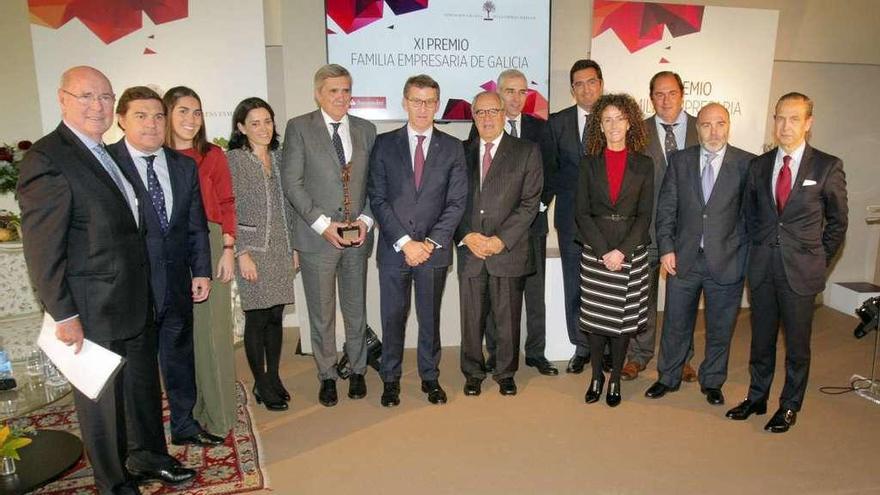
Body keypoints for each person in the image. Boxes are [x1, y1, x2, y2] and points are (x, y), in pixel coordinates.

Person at [17, 66, 195, 494]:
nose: (97, 106)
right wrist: (64, 314)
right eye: (86, 97)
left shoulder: (104, 153)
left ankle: (149, 456)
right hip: (92, 307)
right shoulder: (48, 158)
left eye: (103, 97)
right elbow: (42, 250)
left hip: (133, 300)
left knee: (141, 390)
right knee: (102, 403)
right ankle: (114, 483)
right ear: (62, 99)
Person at [108, 86, 222, 448]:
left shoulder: (182, 165)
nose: (152, 124)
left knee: (179, 358)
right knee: (135, 373)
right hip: (130, 289)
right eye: (141, 116)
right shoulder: (107, 164)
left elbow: (195, 224)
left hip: (176, 284)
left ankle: (185, 425)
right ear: (121, 119)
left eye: (158, 116)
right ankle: (142, 444)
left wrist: (201, 270)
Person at [727, 92, 847, 433]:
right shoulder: (759, 165)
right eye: (780, 117)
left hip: (802, 271)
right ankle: (757, 396)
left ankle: (790, 404)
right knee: (761, 339)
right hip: (763, 268)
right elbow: (749, 215)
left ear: (808, 123)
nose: (785, 125)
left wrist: (818, 261)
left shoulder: (827, 166)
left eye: (794, 118)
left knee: (797, 345)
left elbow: (838, 223)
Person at [645, 103, 755, 405]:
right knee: (675, 323)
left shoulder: (747, 164)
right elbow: (667, 209)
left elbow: (751, 219)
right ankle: (668, 376)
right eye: (707, 125)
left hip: (727, 261)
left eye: (720, 124)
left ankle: (712, 381)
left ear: (729, 125)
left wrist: (743, 258)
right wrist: (666, 248)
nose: (714, 131)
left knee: (720, 327)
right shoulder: (680, 161)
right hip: (684, 259)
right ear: (697, 128)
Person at [368, 74, 467, 407]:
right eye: (416, 100)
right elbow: (378, 198)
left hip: (433, 253)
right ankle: (391, 379)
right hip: (395, 252)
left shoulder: (453, 148)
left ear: (437, 105)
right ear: (404, 102)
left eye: (429, 101)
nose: (423, 108)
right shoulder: (383, 145)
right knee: (392, 318)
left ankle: (430, 376)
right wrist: (405, 242)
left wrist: (430, 243)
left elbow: (456, 202)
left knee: (430, 318)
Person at [280, 64, 376, 407]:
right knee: (321, 312)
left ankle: (359, 368)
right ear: (318, 93)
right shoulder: (299, 128)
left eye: (346, 90)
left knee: (355, 307)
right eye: (333, 90)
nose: (341, 97)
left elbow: (374, 183)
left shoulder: (366, 129)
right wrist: (323, 225)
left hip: (357, 237)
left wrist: (366, 219)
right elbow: (292, 182)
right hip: (318, 237)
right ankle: (327, 374)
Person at [468, 69, 559, 376]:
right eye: (510, 91)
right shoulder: (481, 126)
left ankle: (536, 352)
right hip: (493, 234)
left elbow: (552, 171)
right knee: (497, 298)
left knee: (534, 295)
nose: (516, 98)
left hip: (531, 228)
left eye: (522, 92)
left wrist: (538, 206)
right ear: (498, 92)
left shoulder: (540, 128)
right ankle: (496, 353)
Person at [456, 91, 542, 397]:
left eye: (493, 111)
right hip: (470, 250)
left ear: (504, 114)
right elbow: (450, 202)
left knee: (507, 318)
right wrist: (466, 235)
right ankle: (473, 371)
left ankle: (506, 372)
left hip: (508, 250)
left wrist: (500, 241)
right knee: (471, 317)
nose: (487, 118)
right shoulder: (460, 152)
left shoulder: (526, 151)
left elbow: (530, 204)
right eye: (480, 113)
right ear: (474, 117)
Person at [163, 86, 238, 438]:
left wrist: (227, 248)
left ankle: (220, 415)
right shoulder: (154, 156)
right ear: (167, 114)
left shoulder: (212, 155)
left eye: (197, 112)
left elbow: (227, 203)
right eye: (183, 111)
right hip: (165, 248)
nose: (191, 119)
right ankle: (187, 414)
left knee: (212, 336)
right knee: (177, 336)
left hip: (209, 242)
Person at [575, 93, 653, 407]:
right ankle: (596, 376)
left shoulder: (644, 164)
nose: (614, 125)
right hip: (596, 251)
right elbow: (581, 213)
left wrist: (622, 251)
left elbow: (645, 214)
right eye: (607, 119)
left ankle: (616, 379)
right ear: (599, 126)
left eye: (619, 118)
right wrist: (605, 250)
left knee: (621, 324)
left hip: (631, 253)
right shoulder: (588, 164)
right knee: (595, 322)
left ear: (630, 122)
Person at [623, 71, 700, 382]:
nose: (665, 100)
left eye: (671, 93)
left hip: (689, 232)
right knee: (641, 297)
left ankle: (680, 358)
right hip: (648, 229)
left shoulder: (702, 127)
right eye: (658, 94)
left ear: (682, 93)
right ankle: (638, 356)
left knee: (683, 299)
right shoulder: (637, 132)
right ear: (650, 97)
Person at [228, 97, 296, 412]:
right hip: (252, 250)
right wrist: (240, 252)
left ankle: (273, 376)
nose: (263, 128)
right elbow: (230, 209)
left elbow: (291, 206)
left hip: (281, 248)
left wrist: (294, 247)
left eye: (267, 121)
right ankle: (261, 383)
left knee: (275, 315)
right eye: (254, 123)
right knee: (257, 317)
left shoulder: (282, 158)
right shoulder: (233, 161)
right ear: (241, 127)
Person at [548, 59, 604, 374]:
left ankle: (608, 346)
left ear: (601, 84)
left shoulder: (616, 118)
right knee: (576, 285)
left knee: (608, 287)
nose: (586, 88)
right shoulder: (558, 123)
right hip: (571, 220)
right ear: (572, 90)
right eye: (578, 84)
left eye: (591, 81)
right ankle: (582, 346)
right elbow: (552, 172)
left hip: (610, 222)